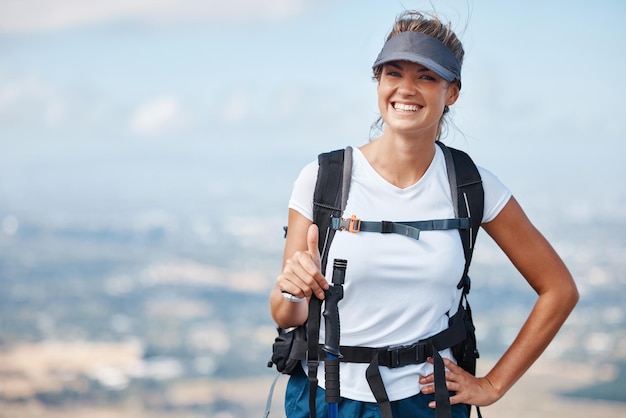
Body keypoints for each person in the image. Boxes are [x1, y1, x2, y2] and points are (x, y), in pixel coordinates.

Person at [269, 10, 578, 418]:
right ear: (378, 82)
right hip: (327, 399)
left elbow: (559, 289)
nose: (407, 89)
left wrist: (492, 385)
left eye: (427, 77)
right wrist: (293, 289)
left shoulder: (471, 186)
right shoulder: (323, 179)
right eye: (393, 73)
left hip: (426, 405)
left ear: (452, 92)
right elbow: (285, 312)